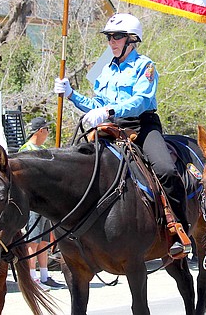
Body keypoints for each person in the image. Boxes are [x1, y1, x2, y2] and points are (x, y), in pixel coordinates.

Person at [54, 13, 190, 258]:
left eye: (117, 37)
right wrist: (72, 94)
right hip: (110, 127)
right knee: (77, 168)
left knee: (166, 170)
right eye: (109, 38)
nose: (112, 42)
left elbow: (142, 100)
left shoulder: (145, 65)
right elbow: (97, 103)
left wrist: (110, 110)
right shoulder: (103, 68)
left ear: (132, 39)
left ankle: (180, 230)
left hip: (142, 125)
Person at [20, 117, 65, 291]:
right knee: (33, 240)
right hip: (34, 202)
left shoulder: (44, 150)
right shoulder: (26, 150)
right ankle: (32, 278)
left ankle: (44, 275)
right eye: (47, 129)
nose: (48, 134)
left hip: (46, 203)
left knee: (45, 240)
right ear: (40, 131)